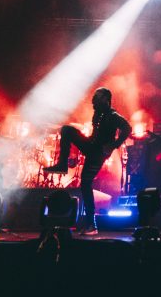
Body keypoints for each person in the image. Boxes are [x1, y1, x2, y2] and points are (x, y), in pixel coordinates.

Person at [44, 87, 131, 235]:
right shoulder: (99, 113)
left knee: (85, 184)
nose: (93, 100)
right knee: (66, 130)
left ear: (105, 99)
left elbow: (127, 128)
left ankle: (92, 225)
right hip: (91, 146)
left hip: (98, 153)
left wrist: (113, 146)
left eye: (97, 97)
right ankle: (62, 164)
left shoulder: (113, 115)